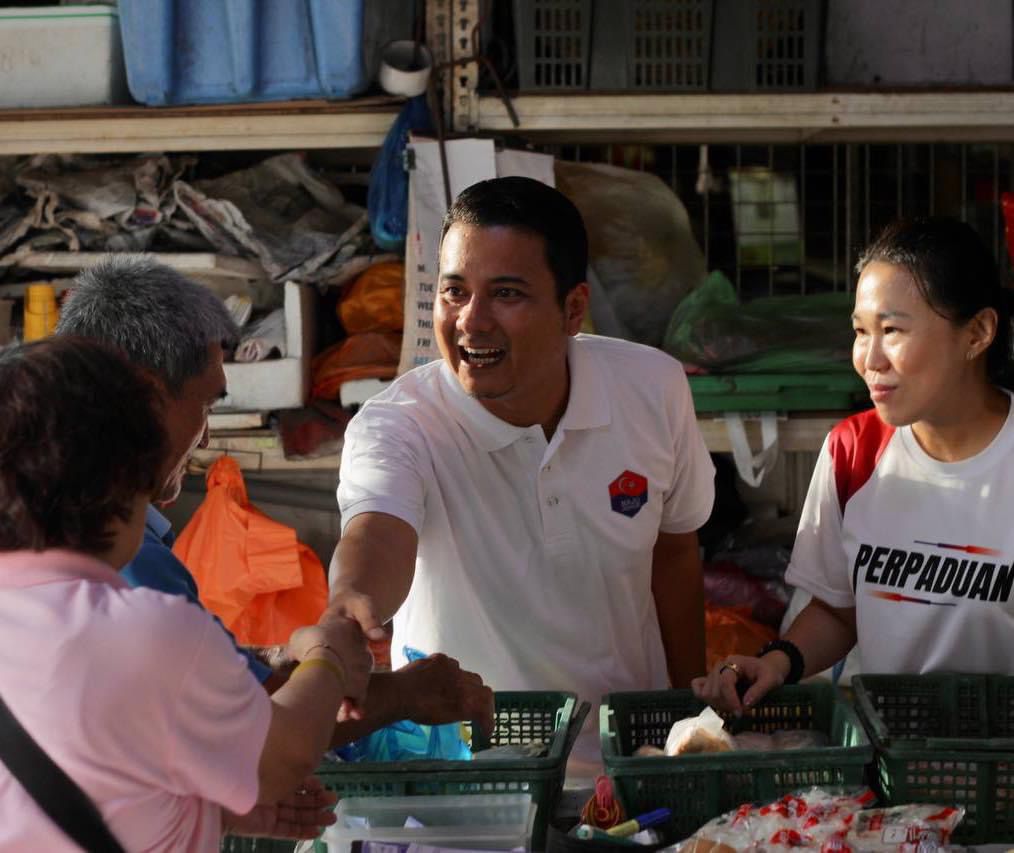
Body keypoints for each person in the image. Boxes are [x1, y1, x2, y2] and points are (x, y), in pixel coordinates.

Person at [328, 176, 716, 772]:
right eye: (454, 292)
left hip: (625, 762)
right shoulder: (397, 425)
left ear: (573, 309)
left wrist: (691, 718)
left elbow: (675, 552)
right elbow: (377, 533)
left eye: (506, 294)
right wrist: (352, 601)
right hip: (468, 777)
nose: (472, 321)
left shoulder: (652, 388)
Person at [55, 255, 494, 740]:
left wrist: (284, 657)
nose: (205, 437)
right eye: (205, 405)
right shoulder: (120, 552)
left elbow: (214, 684)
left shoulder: (60, 518)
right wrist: (407, 694)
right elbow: (256, 732)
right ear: (148, 396)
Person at [0, 336, 373, 849]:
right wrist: (327, 655)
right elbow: (283, 757)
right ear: (125, 478)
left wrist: (205, 817)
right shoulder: (148, 628)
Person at [693, 216, 1014, 715]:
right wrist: (778, 661)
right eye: (861, 332)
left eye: (892, 330)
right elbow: (838, 612)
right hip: (891, 752)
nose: (869, 359)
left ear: (978, 333)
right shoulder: (853, 452)